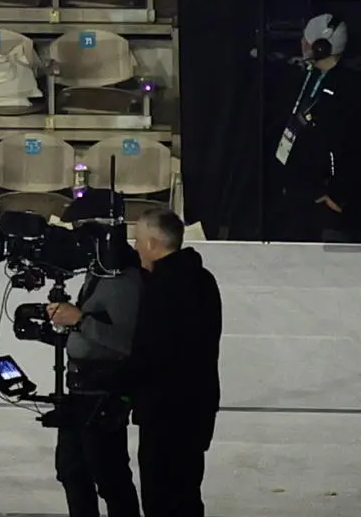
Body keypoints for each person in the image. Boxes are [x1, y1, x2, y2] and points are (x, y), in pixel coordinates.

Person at [120, 209, 223, 516]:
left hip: (165, 410)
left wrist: (114, 381)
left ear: (152, 244)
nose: (135, 247)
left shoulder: (162, 290)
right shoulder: (202, 279)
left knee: (161, 495)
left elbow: (152, 352)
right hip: (198, 406)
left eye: (137, 241)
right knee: (187, 491)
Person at [44, 218, 147, 517]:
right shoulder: (98, 275)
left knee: (110, 477)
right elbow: (89, 332)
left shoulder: (124, 281)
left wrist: (79, 320)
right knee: (71, 472)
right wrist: (50, 332)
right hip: (79, 391)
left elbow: (127, 343)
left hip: (104, 395)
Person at [273, 10, 352, 242]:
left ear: (320, 47)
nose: (301, 44)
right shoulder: (307, 78)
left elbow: (348, 147)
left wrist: (337, 195)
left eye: (306, 40)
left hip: (323, 198)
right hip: (298, 191)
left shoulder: (344, 90)